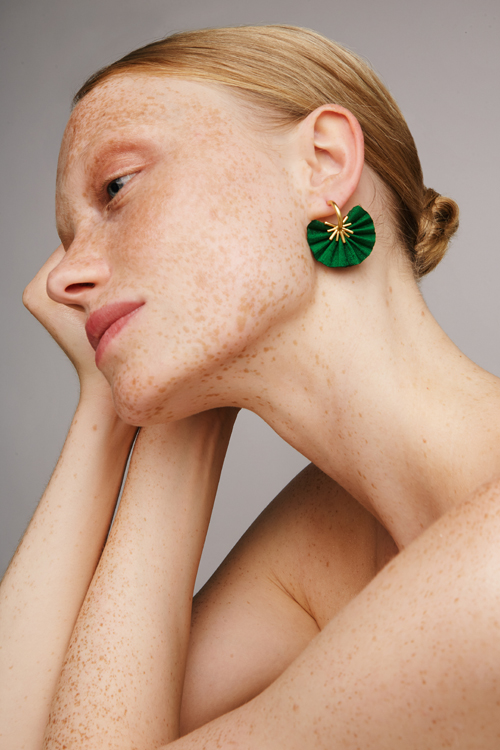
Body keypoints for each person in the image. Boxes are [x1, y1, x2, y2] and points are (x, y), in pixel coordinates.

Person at [1, 24, 500, 749]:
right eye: (68, 239)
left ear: (323, 163)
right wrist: (136, 405)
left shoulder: (486, 572)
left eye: (116, 188)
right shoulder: (323, 544)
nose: (59, 282)